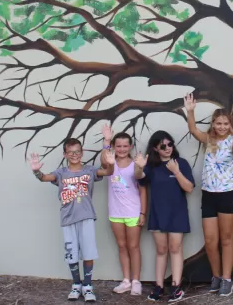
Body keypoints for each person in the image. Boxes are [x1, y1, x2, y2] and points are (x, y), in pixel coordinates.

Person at [29, 138, 109, 302]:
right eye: (70, 152)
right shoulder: (61, 173)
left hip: (86, 217)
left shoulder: (89, 170)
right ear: (65, 154)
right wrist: (36, 171)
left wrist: (111, 159)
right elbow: (45, 177)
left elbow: (108, 172)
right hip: (67, 219)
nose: (74, 155)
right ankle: (76, 284)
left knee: (88, 252)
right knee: (71, 254)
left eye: (77, 151)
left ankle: (87, 286)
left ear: (82, 152)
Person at [183, 93, 233, 297]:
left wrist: (232, 183)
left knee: (227, 239)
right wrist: (191, 111)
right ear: (213, 124)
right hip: (208, 195)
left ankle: (227, 279)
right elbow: (193, 129)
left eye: (225, 123)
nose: (221, 127)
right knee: (211, 241)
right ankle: (216, 276)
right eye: (218, 123)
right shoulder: (208, 139)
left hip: (228, 195)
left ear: (230, 125)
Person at [136, 131, 195, 303]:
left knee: (175, 249)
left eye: (170, 144)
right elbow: (139, 178)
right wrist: (139, 166)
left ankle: (176, 286)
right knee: (161, 250)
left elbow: (189, 188)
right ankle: (159, 286)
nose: (168, 148)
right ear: (155, 148)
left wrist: (176, 172)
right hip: (157, 214)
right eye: (163, 146)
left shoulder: (181, 163)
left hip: (177, 213)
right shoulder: (152, 166)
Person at [99, 123, 147, 296]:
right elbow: (104, 161)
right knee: (121, 246)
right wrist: (106, 141)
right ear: (113, 147)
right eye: (118, 146)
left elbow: (142, 187)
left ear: (131, 147)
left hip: (133, 212)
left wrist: (142, 213)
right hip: (115, 212)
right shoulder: (110, 164)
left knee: (134, 246)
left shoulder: (136, 163)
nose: (121, 149)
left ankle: (136, 281)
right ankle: (126, 280)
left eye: (125, 146)